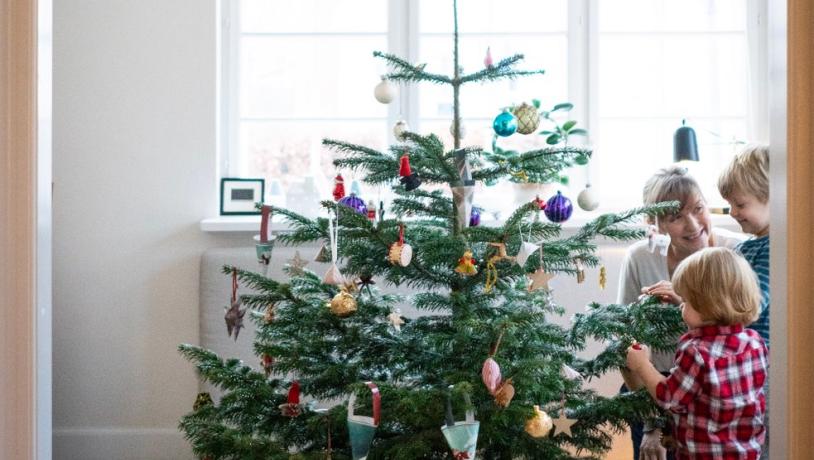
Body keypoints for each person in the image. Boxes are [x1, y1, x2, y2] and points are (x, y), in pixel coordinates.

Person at [617, 166, 745, 460]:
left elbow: (745, 327)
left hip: (718, 386)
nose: (692, 225)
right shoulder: (640, 258)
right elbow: (624, 344)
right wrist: (652, 427)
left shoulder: (735, 251)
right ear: (655, 224)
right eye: (676, 218)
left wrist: (684, 301)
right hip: (653, 381)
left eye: (698, 208)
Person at [626, 247, 768, 460]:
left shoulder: (696, 352)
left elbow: (670, 398)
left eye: (687, 302)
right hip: (747, 453)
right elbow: (716, 403)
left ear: (709, 305)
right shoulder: (754, 343)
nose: (681, 306)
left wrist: (642, 365)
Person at [717, 144, 771, 459]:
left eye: (740, 204)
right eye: (730, 205)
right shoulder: (749, 247)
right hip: (742, 364)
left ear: (772, 197)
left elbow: (752, 305)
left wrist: (703, 303)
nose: (734, 213)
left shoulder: (773, 248)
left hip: (760, 366)